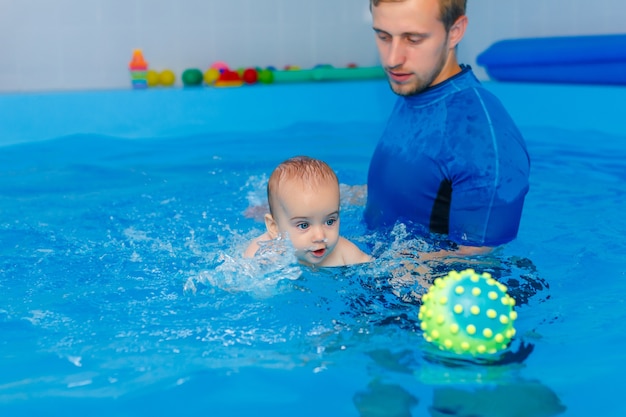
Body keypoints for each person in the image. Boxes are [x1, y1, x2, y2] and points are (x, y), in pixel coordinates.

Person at [364, 0, 530, 257]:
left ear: (455, 31)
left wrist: (358, 264)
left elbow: (480, 261)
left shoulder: (481, 136)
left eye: (413, 39)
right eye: (383, 36)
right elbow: (413, 192)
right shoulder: (415, 87)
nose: (392, 59)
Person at [244, 156, 372, 267]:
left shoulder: (344, 252)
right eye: (304, 225)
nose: (320, 236)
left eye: (329, 221)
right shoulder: (263, 254)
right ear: (274, 227)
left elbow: (376, 270)